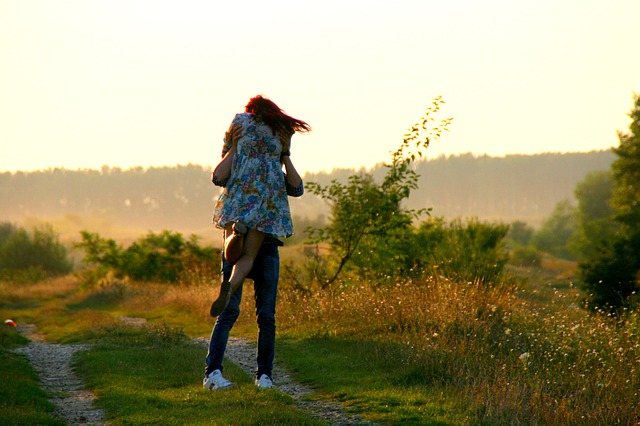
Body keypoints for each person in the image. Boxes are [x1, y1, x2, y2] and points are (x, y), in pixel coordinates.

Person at [203, 95, 309, 390]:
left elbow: (218, 177)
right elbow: (297, 189)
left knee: (229, 311)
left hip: (238, 207)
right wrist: (284, 154)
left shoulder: (238, 124)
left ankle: (213, 374)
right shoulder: (280, 130)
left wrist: (234, 145)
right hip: (266, 215)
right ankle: (264, 377)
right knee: (266, 316)